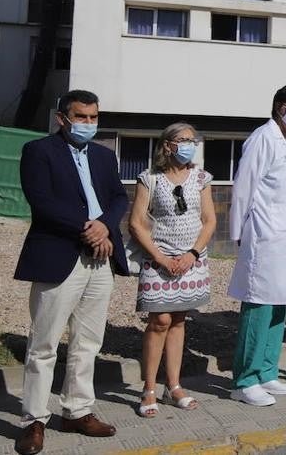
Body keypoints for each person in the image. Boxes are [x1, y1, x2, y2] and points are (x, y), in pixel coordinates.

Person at [13, 90, 130, 455]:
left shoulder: (103, 155)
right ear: (62, 118)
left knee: (88, 342)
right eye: (81, 117)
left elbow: (118, 198)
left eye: (93, 117)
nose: (88, 124)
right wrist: (88, 228)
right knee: (44, 344)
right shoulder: (39, 151)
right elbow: (41, 201)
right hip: (59, 254)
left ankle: (77, 410)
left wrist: (105, 227)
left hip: (101, 258)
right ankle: (34, 419)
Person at [228, 85, 286, 407]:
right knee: (259, 306)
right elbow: (243, 188)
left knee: (280, 303)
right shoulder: (262, 138)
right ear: (277, 106)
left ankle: (266, 371)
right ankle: (244, 380)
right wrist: (239, 234)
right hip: (264, 237)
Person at [128, 122, 216, 417]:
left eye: (194, 140)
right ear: (167, 145)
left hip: (191, 260)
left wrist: (193, 253)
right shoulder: (148, 178)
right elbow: (136, 223)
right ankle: (149, 387)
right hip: (159, 259)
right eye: (184, 140)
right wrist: (162, 258)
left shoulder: (202, 178)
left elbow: (209, 220)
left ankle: (174, 385)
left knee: (179, 320)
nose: (190, 145)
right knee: (160, 320)